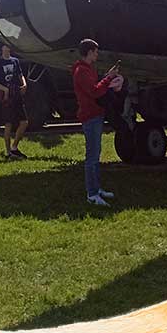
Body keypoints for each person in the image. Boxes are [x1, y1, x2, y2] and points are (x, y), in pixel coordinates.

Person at [72, 39, 122, 207]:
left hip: (96, 114)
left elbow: (96, 87)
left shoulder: (88, 69)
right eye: (95, 51)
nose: (97, 54)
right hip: (90, 116)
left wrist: (107, 78)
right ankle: (92, 194)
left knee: (95, 154)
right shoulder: (81, 71)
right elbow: (94, 92)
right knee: (92, 157)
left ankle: (96, 188)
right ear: (89, 52)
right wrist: (109, 78)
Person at [0, 44, 29, 160]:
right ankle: (8, 152)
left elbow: (20, 74)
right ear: (2, 49)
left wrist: (24, 84)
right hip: (6, 97)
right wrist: (4, 89)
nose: (7, 48)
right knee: (8, 124)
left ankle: (14, 146)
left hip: (16, 93)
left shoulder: (15, 61)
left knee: (24, 122)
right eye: (5, 46)